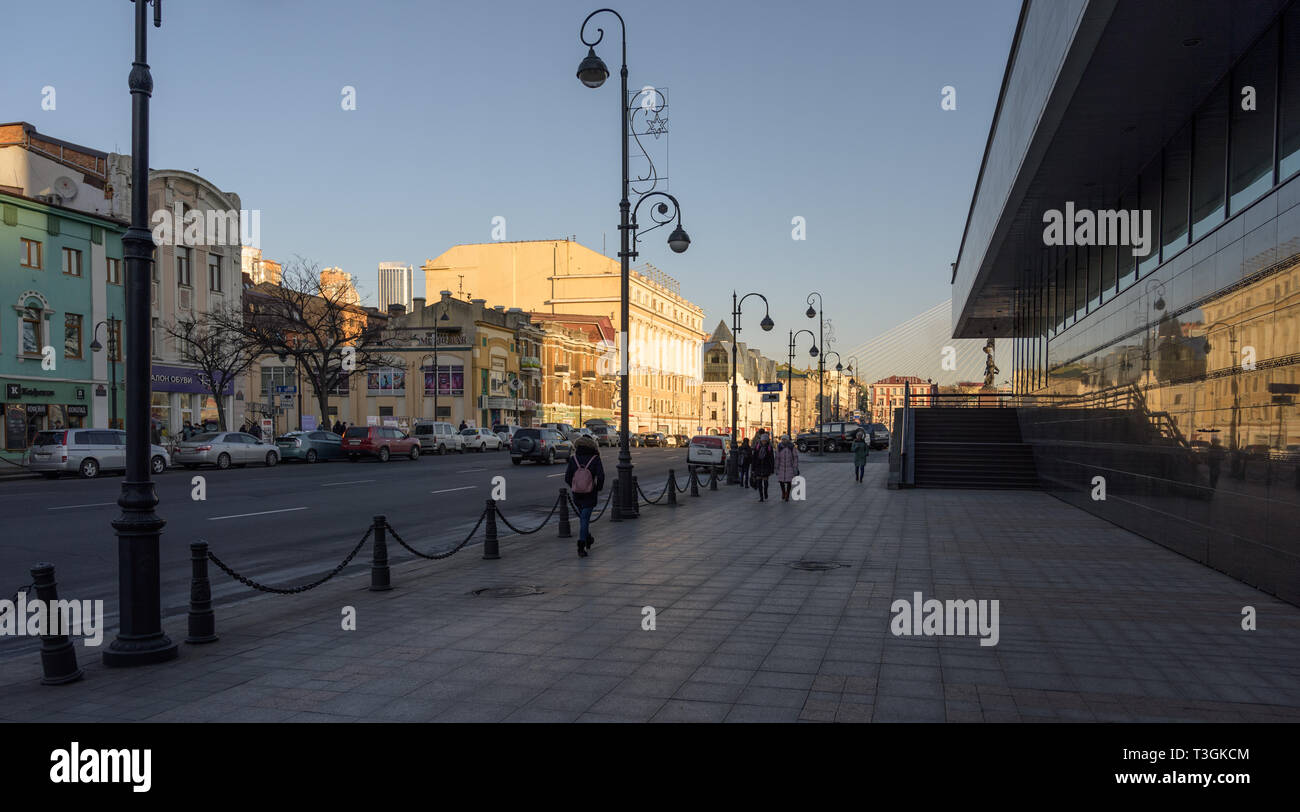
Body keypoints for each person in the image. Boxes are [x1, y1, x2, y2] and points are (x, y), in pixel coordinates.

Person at [564, 435, 605, 557]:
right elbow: (601, 476)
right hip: (590, 493)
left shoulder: (574, 459)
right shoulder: (595, 458)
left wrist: (575, 486)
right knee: (584, 519)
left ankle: (588, 538)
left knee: (583, 518)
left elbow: (567, 477)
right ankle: (581, 546)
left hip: (577, 494)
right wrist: (597, 488)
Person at [751, 431, 775, 502]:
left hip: (766, 467)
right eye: (763, 440)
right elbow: (754, 458)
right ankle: (761, 497)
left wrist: (772, 468)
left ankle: (765, 492)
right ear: (761, 440)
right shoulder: (757, 447)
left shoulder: (769, 448)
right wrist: (753, 468)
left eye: (765, 440)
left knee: (765, 482)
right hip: (758, 467)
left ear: (767, 441)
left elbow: (771, 459)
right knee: (759, 482)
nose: (764, 442)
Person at [775, 434, 800, 501]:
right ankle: (783, 492)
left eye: (785, 439)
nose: (784, 441)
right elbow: (777, 458)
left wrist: (795, 467)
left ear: (788, 440)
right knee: (781, 482)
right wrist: (776, 467)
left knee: (789, 482)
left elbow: (795, 457)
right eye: (783, 439)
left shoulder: (791, 447)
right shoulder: (779, 447)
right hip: (781, 467)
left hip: (790, 467)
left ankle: (787, 494)